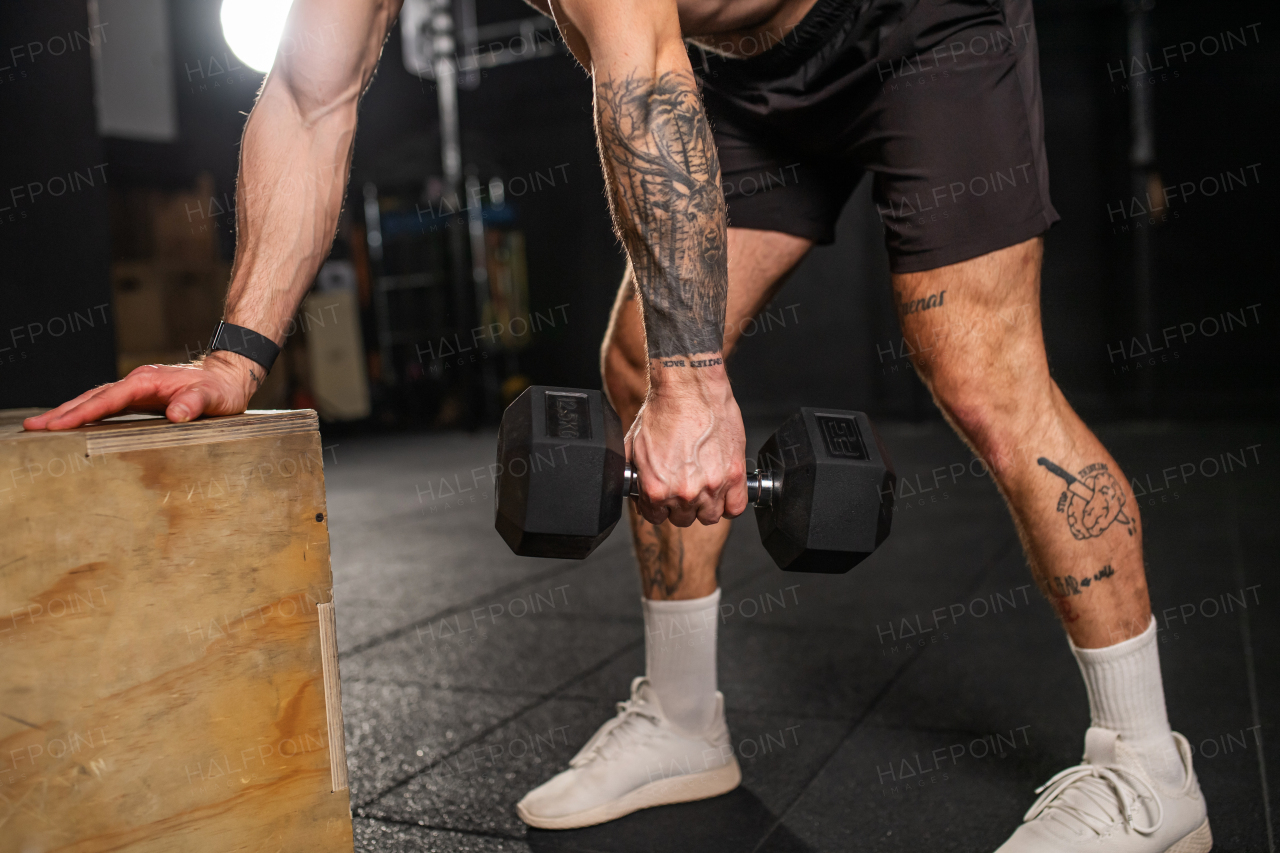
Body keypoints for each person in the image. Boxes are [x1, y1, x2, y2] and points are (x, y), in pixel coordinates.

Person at [25, 0, 1211, 848]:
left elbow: (636, 75)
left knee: (976, 376)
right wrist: (238, 351)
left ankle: (1145, 767)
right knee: (639, 362)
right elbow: (305, 90)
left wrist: (707, 391)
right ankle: (686, 724)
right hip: (734, 65)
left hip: (910, 26)